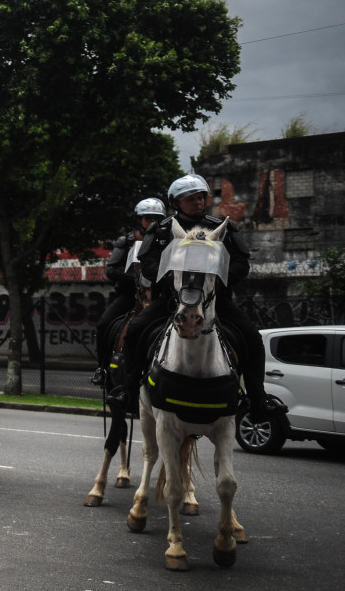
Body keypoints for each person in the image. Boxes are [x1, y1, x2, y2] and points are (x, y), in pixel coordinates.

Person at [107, 174, 280, 421]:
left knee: (252, 338)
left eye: (201, 197)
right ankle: (129, 390)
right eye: (190, 198)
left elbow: (241, 264)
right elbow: (148, 264)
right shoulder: (162, 230)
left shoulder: (222, 227)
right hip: (169, 301)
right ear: (176, 203)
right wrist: (175, 281)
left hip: (215, 301)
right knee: (134, 330)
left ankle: (258, 399)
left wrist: (216, 280)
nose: (198, 202)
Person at [92, 198, 166, 386]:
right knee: (103, 324)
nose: (152, 223)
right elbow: (111, 270)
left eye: (157, 219)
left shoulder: (168, 243)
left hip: (160, 295)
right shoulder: (126, 241)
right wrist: (135, 279)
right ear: (138, 220)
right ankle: (102, 368)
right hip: (130, 296)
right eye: (147, 218)